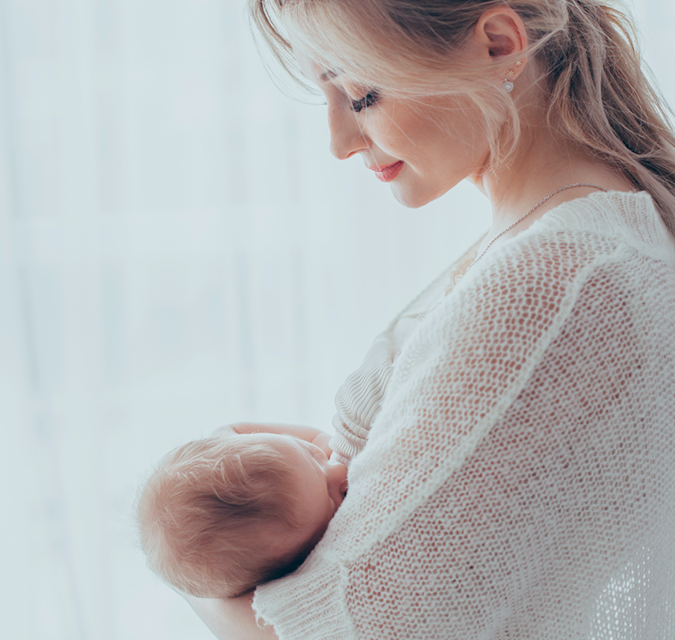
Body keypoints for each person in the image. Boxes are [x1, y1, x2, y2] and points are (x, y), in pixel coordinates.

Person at [179, 0, 675, 638]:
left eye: (362, 96)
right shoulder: (579, 231)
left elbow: (357, 628)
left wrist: (191, 566)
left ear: (499, 44)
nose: (338, 142)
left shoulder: (556, 280)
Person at [136, 423, 348, 599]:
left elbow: (230, 432)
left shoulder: (235, 438)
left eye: (312, 454)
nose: (340, 470)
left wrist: (324, 446)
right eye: (331, 498)